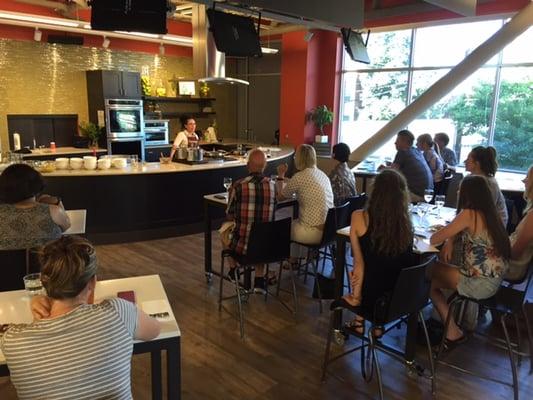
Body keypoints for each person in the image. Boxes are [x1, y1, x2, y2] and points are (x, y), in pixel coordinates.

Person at [0, 235, 161, 400]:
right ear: (92, 282)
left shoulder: (13, 340)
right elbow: (155, 329)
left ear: (44, 282)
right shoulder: (118, 312)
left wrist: (39, 317)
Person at [429, 175, 510, 344]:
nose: (458, 192)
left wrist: (446, 235)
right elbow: (455, 231)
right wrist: (450, 240)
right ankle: (447, 322)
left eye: (460, 189)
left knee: (426, 274)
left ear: (468, 194)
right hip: (494, 281)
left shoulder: (468, 214)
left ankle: (451, 330)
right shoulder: (491, 214)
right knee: (434, 272)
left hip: (477, 283)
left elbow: (434, 239)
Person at [340, 169, 416, 333]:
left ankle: (360, 323)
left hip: (372, 299)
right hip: (401, 299)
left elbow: (358, 263)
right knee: (386, 268)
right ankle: (377, 327)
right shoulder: (406, 223)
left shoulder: (359, 217)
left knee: (368, 269)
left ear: (375, 191)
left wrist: (356, 298)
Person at [223, 148, 277, 291]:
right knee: (262, 230)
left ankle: (233, 270)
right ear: (265, 166)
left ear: (248, 166)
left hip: (243, 246)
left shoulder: (239, 185)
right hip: (266, 247)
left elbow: (229, 214)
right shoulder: (273, 186)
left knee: (224, 230)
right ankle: (259, 280)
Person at [277, 144, 334, 254]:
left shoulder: (299, 177)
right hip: (329, 231)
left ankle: (281, 265)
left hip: (313, 234)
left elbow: (280, 197)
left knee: (281, 227)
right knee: (297, 221)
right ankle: (296, 260)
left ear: (299, 159)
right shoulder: (323, 175)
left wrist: (281, 175)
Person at [0, 163, 70, 250]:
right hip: (48, 262)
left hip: (6, 263)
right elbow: (66, 227)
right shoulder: (53, 211)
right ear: (36, 184)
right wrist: (57, 202)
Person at [464, 146, 508, 227]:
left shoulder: (490, 184)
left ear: (477, 164)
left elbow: (484, 212)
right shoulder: (470, 178)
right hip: (477, 222)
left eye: (468, 159)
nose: (464, 161)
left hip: (493, 228)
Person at [386, 129, 433, 202]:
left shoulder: (402, 152)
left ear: (404, 142)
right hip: (427, 194)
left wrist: (383, 169)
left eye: (397, 140)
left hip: (416, 195)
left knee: (387, 192)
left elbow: (392, 173)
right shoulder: (417, 151)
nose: (395, 143)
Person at [506, 165, 533, 281]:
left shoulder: (532, 216)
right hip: (510, 259)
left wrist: (495, 248)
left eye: (528, 177)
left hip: (513, 268)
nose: (524, 180)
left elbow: (515, 254)